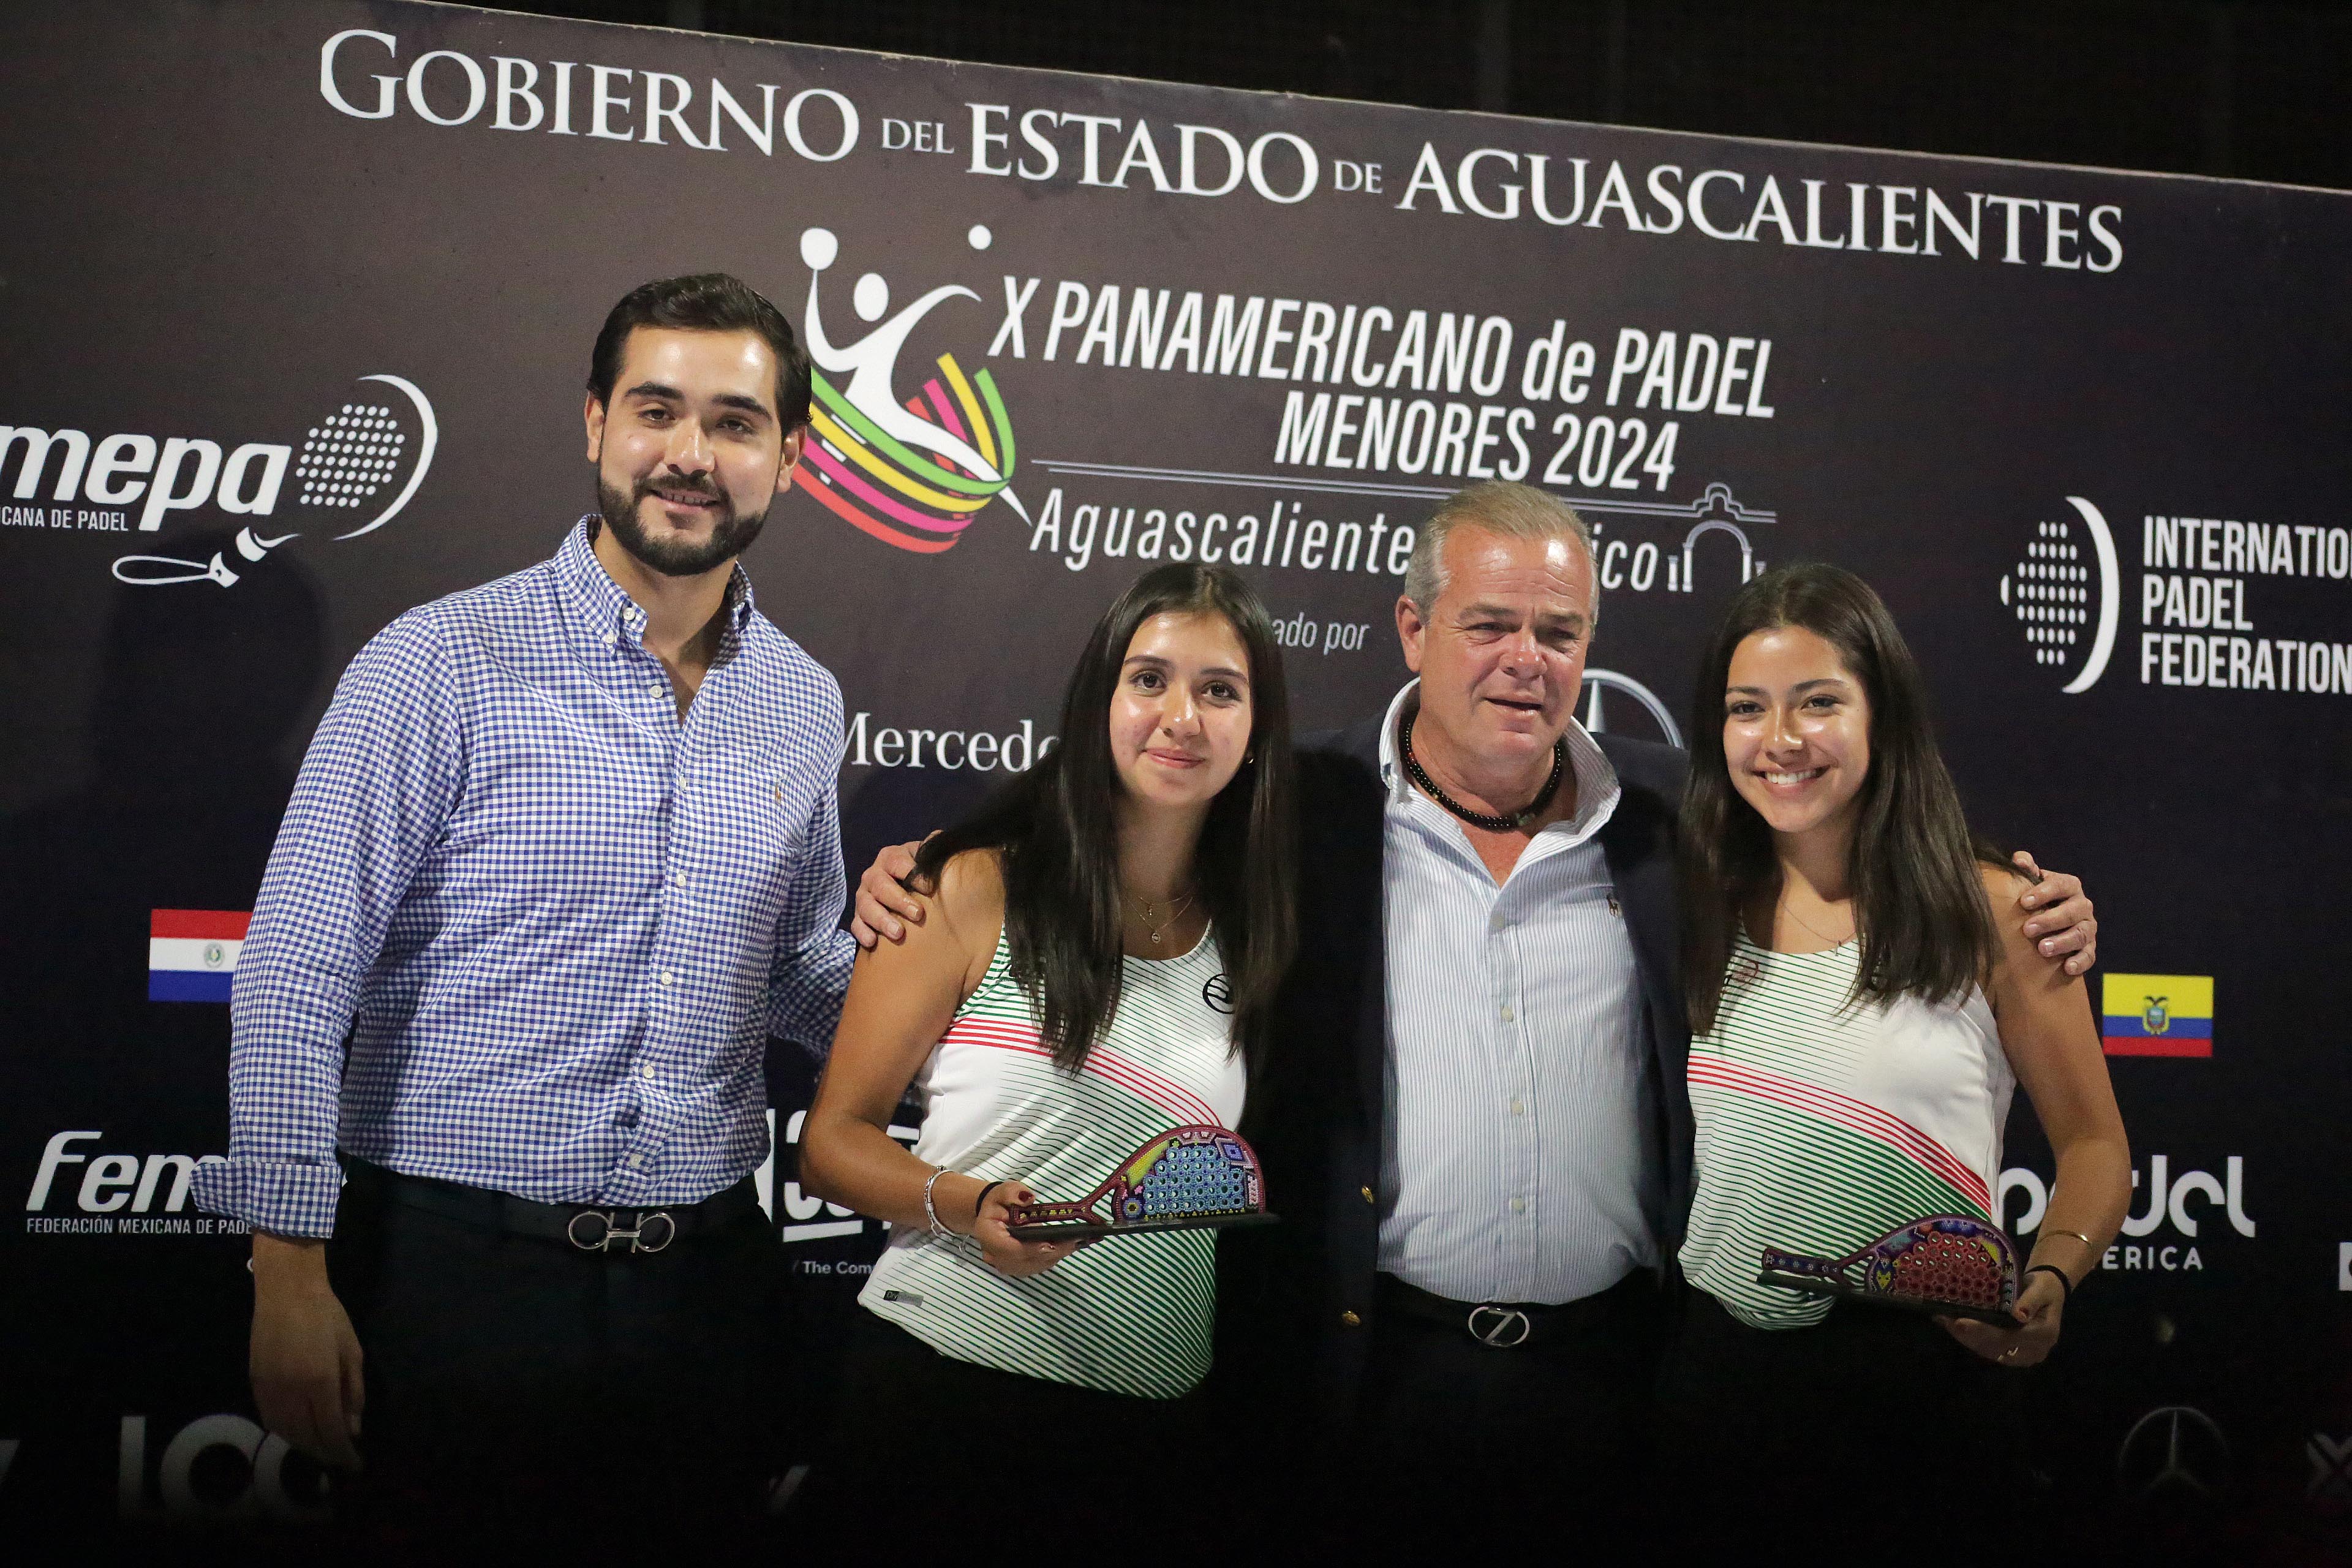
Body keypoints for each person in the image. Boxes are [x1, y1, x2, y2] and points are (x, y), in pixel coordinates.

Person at [853, 482, 2100, 1550]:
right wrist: (931, 865)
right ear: (1413, 629)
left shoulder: (1677, 822)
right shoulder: (1300, 805)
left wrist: (2027, 899)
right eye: (1490, 623)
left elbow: (1861, 842)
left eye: (1559, 631)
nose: (1526, 658)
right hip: (1369, 1383)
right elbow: (1118, 808)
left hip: (1621, 1391)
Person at [191, 273, 853, 1550]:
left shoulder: (803, 698)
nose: (691, 453)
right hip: (450, 1281)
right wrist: (288, 1267)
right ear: (596, 420)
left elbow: (794, 968)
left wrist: (987, 1015)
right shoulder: (440, 660)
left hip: (708, 1291)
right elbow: (298, 968)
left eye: (735, 421)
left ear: (791, 455)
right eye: (657, 409)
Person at [801, 562, 1295, 1541]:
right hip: (943, 1395)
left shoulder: (1258, 937)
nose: (1181, 718)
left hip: (1153, 1427)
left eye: (1220, 691)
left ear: (1256, 731)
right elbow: (831, 1144)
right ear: (1100, 698)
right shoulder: (971, 886)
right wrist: (969, 1204)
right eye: (1149, 679)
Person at [1658, 562, 2130, 1531]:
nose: (1780, 739)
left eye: (1819, 702)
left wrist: (2049, 1280)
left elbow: (2095, 1146)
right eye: (1747, 708)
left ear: (1885, 714)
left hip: (1920, 1396)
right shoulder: (1703, 899)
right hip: (1717, 1387)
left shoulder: (1998, 912)